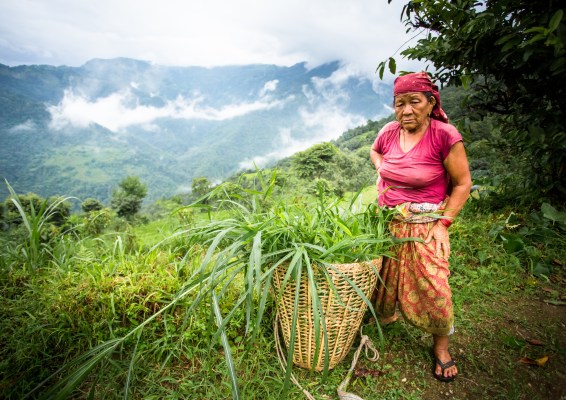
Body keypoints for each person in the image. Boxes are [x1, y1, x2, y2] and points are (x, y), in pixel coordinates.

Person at [370, 72, 472, 382]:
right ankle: (386, 315)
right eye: (399, 104)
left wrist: (444, 224)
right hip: (389, 221)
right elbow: (375, 151)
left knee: (433, 285)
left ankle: (441, 348)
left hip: (426, 224)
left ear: (431, 103)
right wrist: (381, 171)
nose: (406, 110)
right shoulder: (389, 132)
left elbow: (463, 183)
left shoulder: (444, 135)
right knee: (383, 276)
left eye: (415, 101)